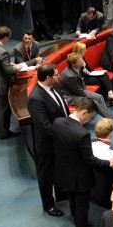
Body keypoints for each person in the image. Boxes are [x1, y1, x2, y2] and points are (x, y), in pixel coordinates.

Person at [54, 97, 113, 227]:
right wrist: (108, 163)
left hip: (65, 172)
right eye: (90, 117)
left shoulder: (58, 122)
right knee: (82, 208)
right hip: (80, 177)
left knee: (72, 199)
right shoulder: (82, 134)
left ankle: (77, 221)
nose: (89, 120)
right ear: (84, 112)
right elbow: (90, 160)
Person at [27, 63, 69, 217]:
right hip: (47, 145)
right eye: (56, 74)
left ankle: (61, 193)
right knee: (46, 175)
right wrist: (66, 134)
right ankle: (48, 204)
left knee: (60, 168)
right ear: (48, 77)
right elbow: (45, 127)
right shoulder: (35, 98)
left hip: (59, 140)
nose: (59, 76)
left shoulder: (54, 86)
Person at [56, 52, 113, 128]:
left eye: (81, 60)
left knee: (99, 97)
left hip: (78, 91)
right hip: (70, 97)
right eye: (80, 61)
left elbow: (81, 82)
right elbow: (78, 91)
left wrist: (87, 91)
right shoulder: (69, 76)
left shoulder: (78, 67)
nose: (82, 62)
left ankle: (109, 119)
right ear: (73, 64)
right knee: (93, 102)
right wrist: (89, 98)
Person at [70, 41, 113, 108]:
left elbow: (88, 68)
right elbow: (82, 74)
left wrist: (96, 72)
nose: (85, 51)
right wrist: (93, 74)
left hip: (88, 75)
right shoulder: (76, 60)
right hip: (84, 79)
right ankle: (112, 98)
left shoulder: (82, 57)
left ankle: (110, 95)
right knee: (103, 81)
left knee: (104, 75)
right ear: (80, 50)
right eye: (84, 50)